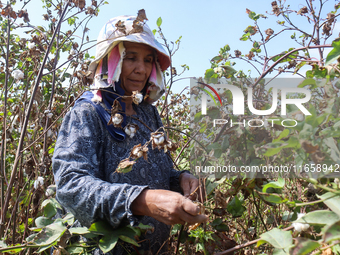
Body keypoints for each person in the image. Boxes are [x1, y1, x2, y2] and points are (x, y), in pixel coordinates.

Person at [52, 14, 207, 254]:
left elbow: (160, 169)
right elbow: (70, 186)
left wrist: (181, 179)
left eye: (148, 60)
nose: (141, 69)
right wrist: (142, 200)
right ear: (110, 60)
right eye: (130, 58)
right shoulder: (88, 112)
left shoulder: (149, 114)